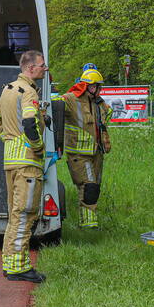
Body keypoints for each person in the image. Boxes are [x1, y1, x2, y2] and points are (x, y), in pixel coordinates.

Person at [0, 50, 48, 282]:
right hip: (27, 163)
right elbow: (30, 123)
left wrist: (9, 138)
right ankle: (19, 267)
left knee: (15, 214)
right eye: (42, 65)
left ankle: (10, 262)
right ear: (30, 68)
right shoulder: (29, 92)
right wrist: (38, 147)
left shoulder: (8, 89)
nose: (44, 68)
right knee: (26, 214)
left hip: (11, 161)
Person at [61, 66, 112, 228]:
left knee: (95, 187)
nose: (98, 89)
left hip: (96, 152)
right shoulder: (70, 99)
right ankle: (87, 224)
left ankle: (90, 223)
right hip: (78, 153)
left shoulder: (98, 103)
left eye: (99, 86)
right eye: (95, 86)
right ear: (86, 86)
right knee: (88, 186)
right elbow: (53, 105)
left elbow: (107, 115)